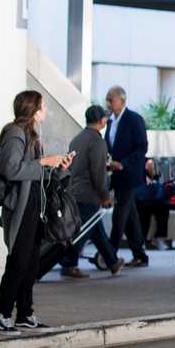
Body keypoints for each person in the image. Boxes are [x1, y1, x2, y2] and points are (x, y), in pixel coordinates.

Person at [0, 91, 73, 333]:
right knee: (18, 260)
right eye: (43, 106)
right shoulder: (15, 133)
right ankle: (1, 315)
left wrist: (58, 168)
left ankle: (25, 314)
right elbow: (10, 169)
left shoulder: (32, 135)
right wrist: (44, 162)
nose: (45, 109)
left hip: (35, 206)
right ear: (33, 109)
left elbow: (36, 175)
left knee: (31, 262)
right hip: (21, 208)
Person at [59, 105, 121, 279]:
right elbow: (98, 173)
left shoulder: (77, 139)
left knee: (94, 229)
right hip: (89, 194)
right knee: (82, 232)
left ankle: (113, 262)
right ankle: (69, 264)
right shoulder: (97, 142)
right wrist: (104, 196)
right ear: (102, 121)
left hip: (74, 191)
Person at [103, 86, 150, 268]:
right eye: (107, 99)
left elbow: (141, 147)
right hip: (116, 173)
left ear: (122, 101)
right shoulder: (110, 121)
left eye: (111, 99)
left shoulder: (134, 119)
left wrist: (124, 163)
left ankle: (110, 253)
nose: (108, 102)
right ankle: (140, 255)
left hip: (130, 173)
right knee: (130, 215)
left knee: (120, 214)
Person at [137, 158, 174, 250]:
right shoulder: (132, 162)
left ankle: (159, 238)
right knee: (144, 211)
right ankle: (141, 240)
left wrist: (151, 171)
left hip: (153, 198)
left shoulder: (149, 163)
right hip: (140, 199)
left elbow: (156, 180)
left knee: (163, 208)